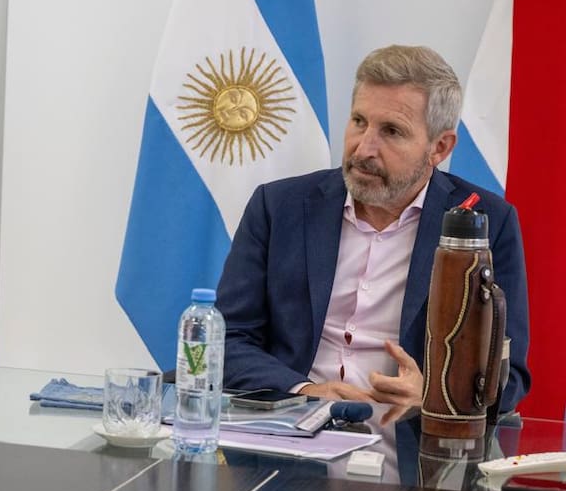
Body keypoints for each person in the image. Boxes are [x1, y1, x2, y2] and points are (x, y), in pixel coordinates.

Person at [217, 45, 530, 417]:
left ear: (440, 147)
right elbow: (227, 339)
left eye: (392, 131)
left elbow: (508, 377)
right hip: (289, 430)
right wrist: (305, 391)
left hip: (411, 443)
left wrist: (433, 394)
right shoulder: (279, 206)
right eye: (359, 121)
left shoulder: (486, 222)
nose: (364, 148)